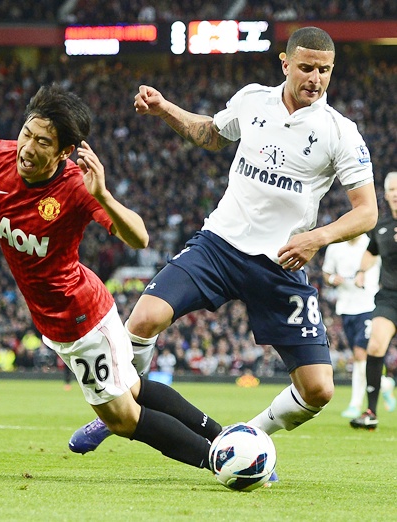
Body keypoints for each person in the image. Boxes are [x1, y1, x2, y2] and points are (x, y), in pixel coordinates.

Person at [70, 27, 378, 461]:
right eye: (306, 67)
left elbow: (367, 211)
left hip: (280, 264)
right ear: (285, 64)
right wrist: (165, 109)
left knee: (318, 389)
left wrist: (317, 237)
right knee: (142, 319)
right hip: (219, 245)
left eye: (324, 70)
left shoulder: (340, 133)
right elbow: (212, 133)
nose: (315, 78)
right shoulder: (252, 100)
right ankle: (117, 408)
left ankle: (247, 438)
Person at [0, 83, 226, 472]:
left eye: (43, 142)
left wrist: (103, 196)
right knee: (132, 388)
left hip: (80, 318)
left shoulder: (76, 186)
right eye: (27, 133)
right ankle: (225, 437)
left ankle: (222, 459)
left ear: (64, 152)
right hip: (59, 316)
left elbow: (140, 237)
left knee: (123, 419)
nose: (28, 147)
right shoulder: (1, 156)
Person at [322, 235, 395, 417]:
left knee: (361, 353)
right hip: (346, 307)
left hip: (369, 305)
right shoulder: (335, 247)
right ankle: (385, 384)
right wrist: (332, 279)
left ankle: (355, 404)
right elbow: (326, 273)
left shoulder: (370, 243)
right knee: (358, 356)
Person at [350, 171, 397, 429]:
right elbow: (371, 252)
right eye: (392, 189)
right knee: (376, 345)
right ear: (386, 194)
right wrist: (361, 271)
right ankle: (371, 412)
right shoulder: (381, 226)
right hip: (389, 296)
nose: (396, 194)